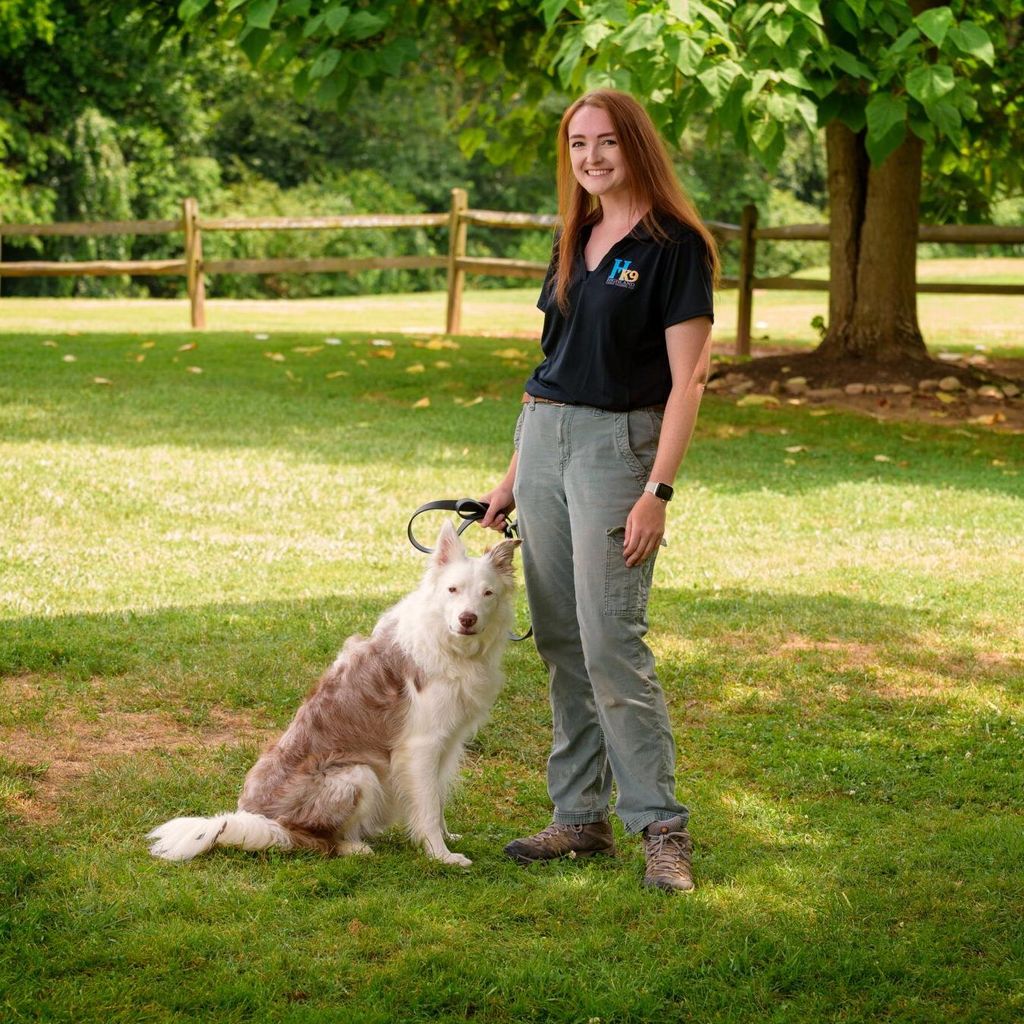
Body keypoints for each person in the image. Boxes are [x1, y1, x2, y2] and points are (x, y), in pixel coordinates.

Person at [480, 89, 718, 893]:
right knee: (559, 640)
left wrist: (658, 490)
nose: (591, 158)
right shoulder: (572, 236)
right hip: (544, 441)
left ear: (636, 146)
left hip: (619, 449)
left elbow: (688, 383)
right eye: (578, 145)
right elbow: (546, 368)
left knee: (612, 639)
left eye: (607, 142)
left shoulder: (676, 246)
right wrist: (511, 480)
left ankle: (660, 827)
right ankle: (578, 816)